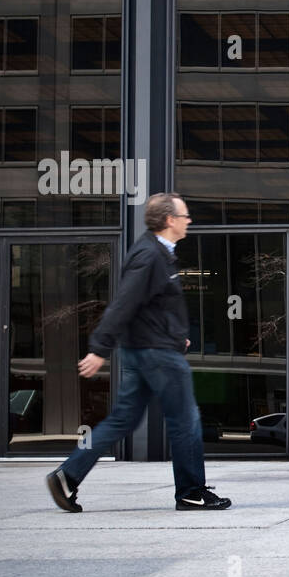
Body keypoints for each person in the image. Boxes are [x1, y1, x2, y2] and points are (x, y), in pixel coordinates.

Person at [46, 193, 231, 512]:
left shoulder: (160, 253)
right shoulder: (149, 255)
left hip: (149, 349)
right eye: (185, 216)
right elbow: (124, 303)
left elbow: (153, 306)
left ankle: (68, 475)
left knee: (122, 419)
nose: (190, 221)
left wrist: (177, 336)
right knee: (186, 420)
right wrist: (100, 349)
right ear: (170, 220)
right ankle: (191, 491)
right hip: (156, 354)